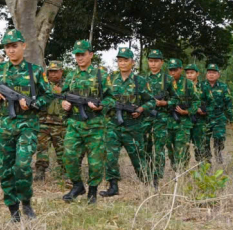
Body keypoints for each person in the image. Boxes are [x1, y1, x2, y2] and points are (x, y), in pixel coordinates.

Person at [0, 29, 53, 221]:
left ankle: (26, 202)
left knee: (22, 166)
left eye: (14, 46)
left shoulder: (35, 71)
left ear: (23, 46)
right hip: (4, 127)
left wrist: (34, 104)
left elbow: (48, 94)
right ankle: (13, 209)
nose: (11, 50)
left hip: (27, 125)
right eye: (7, 47)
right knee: (5, 169)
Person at [60, 39, 115, 204]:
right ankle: (77, 185)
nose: (79, 58)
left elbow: (112, 100)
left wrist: (100, 106)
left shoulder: (101, 75)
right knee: (68, 157)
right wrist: (64, 103)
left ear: (91, 54)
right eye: (77, 55)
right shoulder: (71, 75)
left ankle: (92, 191)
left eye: (82, 54)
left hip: (95, 125)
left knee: (95, 162)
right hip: (74, 124)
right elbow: (63, 95)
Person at [101, 47, 154, 197]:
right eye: (120, 60)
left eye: (126, 60)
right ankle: (113, 187)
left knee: (138, 158)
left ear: (133, 62)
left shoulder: (140, 81)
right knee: (110, 156)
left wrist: (141, 109)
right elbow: (103, 97)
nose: (122, 63)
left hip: (133, 126)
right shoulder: (110, 79)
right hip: (113, 125)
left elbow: (151, 101)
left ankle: (148, 185)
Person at [143, 49, 177, 188]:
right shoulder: (142, 79)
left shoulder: (168, 79)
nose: (153, 64)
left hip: (161, 117)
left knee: (159, 147)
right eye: (151, 61)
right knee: (146, 146)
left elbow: (175, 99)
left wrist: (165, 103)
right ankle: (146, 173)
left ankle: (157, 177)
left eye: (156, 61)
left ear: (162, 62)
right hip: (145, 117)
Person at [165, 58, 200, 171]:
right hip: (168, 122)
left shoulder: (188, 84)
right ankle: (176, 168)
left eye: (175, 70)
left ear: (180, 69)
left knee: (181, 150)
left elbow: (196, 101)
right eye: (170, 70)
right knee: (170, 149)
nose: (172, 72)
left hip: (183, 123)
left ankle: (180, 173)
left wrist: (187, 112)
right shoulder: (164, 83)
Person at [34, 61, 66, 181]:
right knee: (42, 149)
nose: (53, 74)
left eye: (56, 71)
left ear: (61, 72)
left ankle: (65, 173)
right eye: (51, 72)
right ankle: (40, 173)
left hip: (61, 124)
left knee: (62, 150)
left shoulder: (67, 85)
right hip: (43, 122)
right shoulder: (42, 85)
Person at [202, 64, 233, 164]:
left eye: (214, 73)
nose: (211, 75)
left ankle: (218, 151)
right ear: (206, 74)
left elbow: (229, 104)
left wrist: (232, 119)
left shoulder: (223, 87)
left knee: (219, 137)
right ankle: (207, 159)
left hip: (219, 116)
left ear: (218, 75)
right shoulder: (200, 85)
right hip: (205, 117)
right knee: (204, 140)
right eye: (209, 72)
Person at [186, 64, 209, 164]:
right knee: (184, 147)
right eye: (187, 73)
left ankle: (203, 170)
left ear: (197, 74)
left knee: (200, 147)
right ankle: (182, 170)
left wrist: (204, 110)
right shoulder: (182, 86)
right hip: (185, 120)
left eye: (192, 73)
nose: (189, 75)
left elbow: (211, 103)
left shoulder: (204, 87)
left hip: (199, 122)